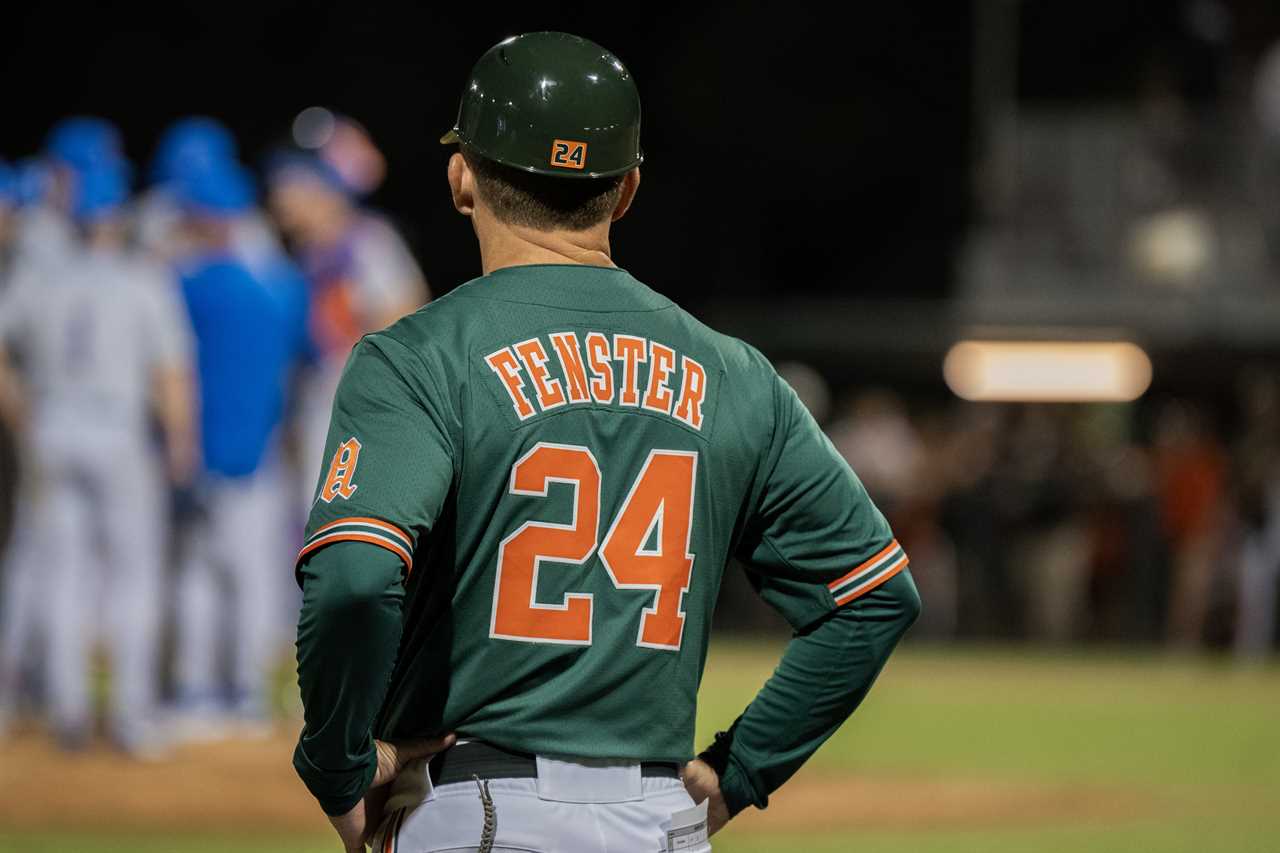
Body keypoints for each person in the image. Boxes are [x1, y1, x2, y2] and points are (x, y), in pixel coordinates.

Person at [293, 32, 921, 853]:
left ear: (461, 176)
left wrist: (337, 765)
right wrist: (739, 770)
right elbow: (873, 596)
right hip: (658, 823)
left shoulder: (418, 356)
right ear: (625, 191)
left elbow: (353, 578)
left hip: (479, 813)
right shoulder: (736, 374)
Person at [0, 153, 196, 754]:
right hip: (117, 433)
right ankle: (132, 720)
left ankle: (70, 718)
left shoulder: (40, 277)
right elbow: (170, 373)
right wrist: (181, 442)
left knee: (65, 575)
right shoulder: (142, 278)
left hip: (54, 427)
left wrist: (25, 418)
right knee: (134, 577)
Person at [168, 162, 310, 736]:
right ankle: (246, 695)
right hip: (264, 447)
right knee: (252, 578)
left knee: (201, 576)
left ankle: (199, 691)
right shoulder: (283, 287)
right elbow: (309, 360)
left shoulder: (187, 284)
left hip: (201, 450)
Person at [264, 146, 428, 514]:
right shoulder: (304, 253)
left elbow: (406, 317)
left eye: (289, 183)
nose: (278, 195)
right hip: (316, 403)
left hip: (358, 408)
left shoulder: (368, 240)